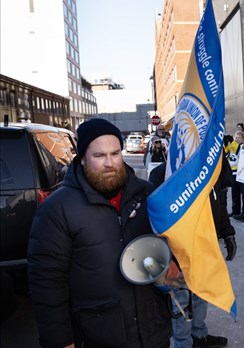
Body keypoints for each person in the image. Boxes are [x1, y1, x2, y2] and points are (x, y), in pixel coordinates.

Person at [28, 118, 172, 348]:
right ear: (82, 158)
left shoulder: (147, 195)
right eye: (99, 156)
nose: (109, 163)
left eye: (115, 153)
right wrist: (60, 341)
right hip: (100, 335)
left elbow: (171, 247)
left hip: (154, 332)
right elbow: (47, 283)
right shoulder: (58, 209)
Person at [149, 160, 237, 348]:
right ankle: (183, 343)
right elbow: (154, 220)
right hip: (175, 255)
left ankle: (199, 335)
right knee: (179, 302)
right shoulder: (160, 175)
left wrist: (228, 232)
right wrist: (165, 256)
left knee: (201, 294)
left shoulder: (207, 169)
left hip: (204, 250)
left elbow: (218, 203)